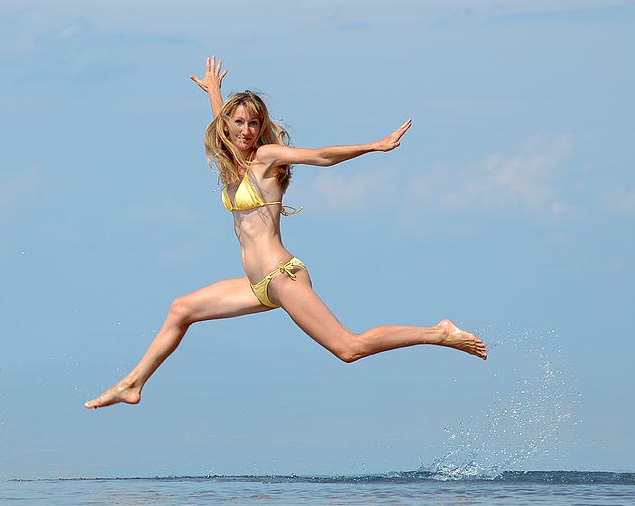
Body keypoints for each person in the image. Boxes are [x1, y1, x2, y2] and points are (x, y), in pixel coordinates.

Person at [84, 56, 486, 409]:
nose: (245, 130)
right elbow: (223, 126)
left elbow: (319, 156)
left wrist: (373, 146)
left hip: (282, 277)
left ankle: (438, 333)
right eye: (239, 122)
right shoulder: (234, 161)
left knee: (349, 348)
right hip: (257, 283)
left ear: (262, 128)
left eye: (253, 123)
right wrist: (215, 92)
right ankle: (133, 384)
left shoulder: (265, 158)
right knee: (181, 309)